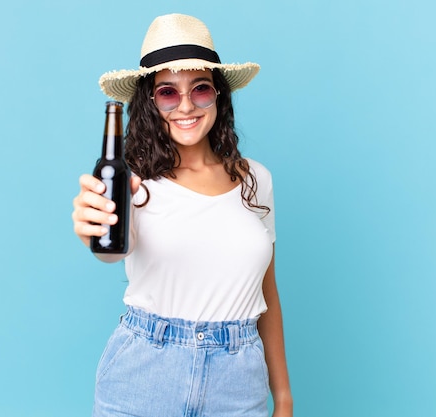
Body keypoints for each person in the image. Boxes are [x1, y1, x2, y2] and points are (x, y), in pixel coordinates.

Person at [72, 13, 293, 417]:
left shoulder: (255, 179)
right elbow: (109, 249)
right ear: (150, 102)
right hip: (144, 376)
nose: (186, 106)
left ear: (219, 96)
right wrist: (94, 227)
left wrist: (283, 397)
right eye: (168, 93)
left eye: (201, 89)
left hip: (239, 383)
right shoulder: (132, 181)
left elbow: (269, 295)